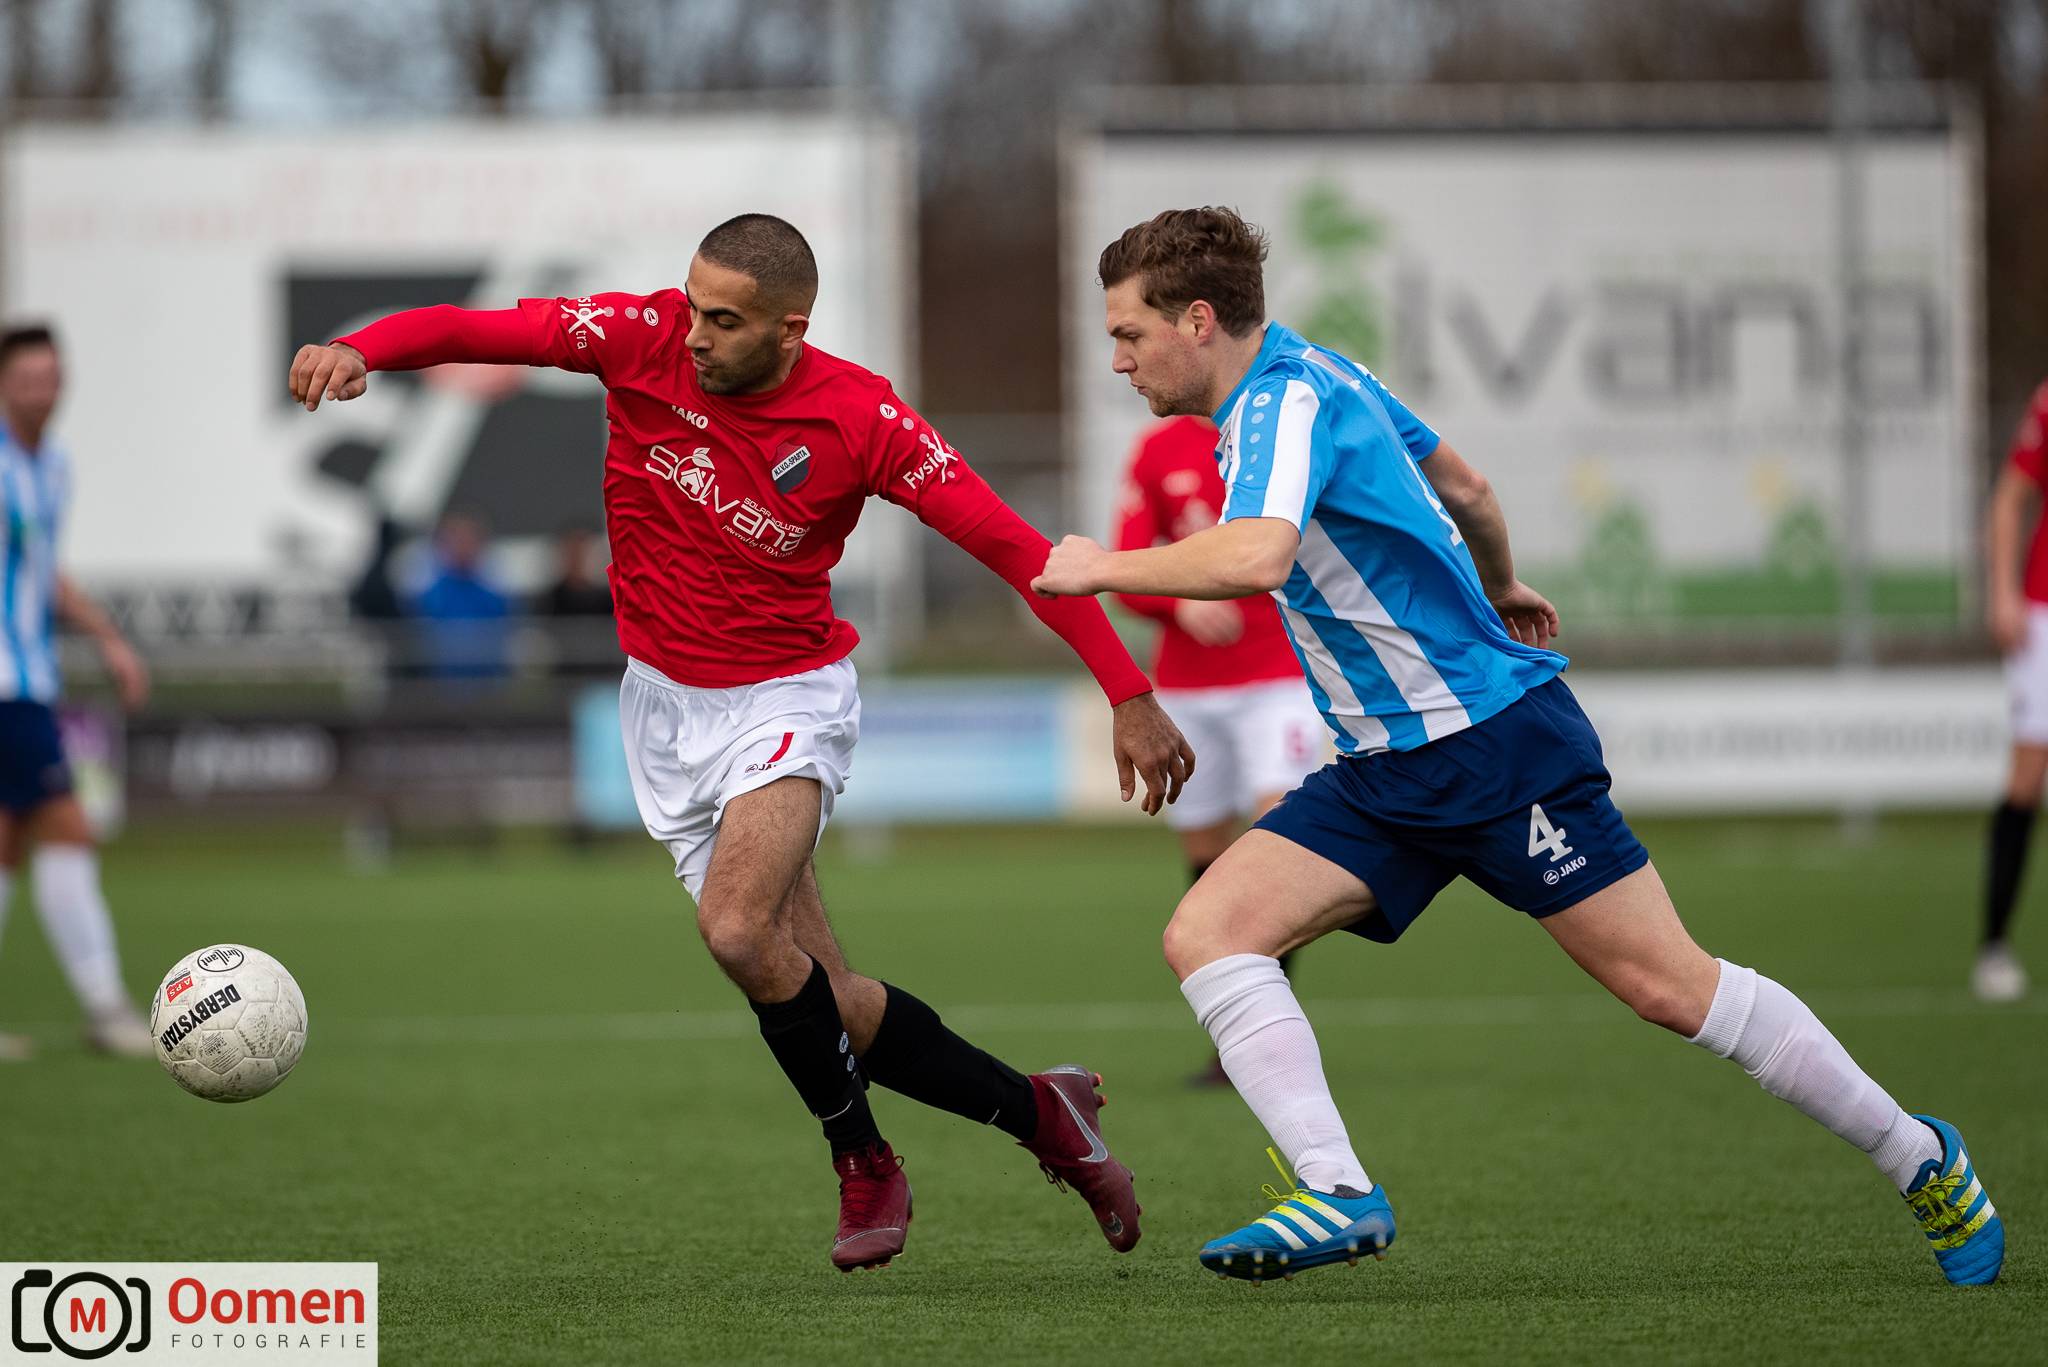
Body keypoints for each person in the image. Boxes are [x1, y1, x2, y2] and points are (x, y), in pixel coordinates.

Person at [1033, 206, 2003, 1286]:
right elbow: (1469, 488)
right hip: (1382, 769)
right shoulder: (1327, 370)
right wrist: (1496, 582)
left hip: (1492, 747)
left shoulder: (1277, 401)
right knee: (1208, 931)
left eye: (1128, 333)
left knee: (1670, 987)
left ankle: (1917, 1155)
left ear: (1198, 320)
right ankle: (1337, 1189)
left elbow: (1258, 554)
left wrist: (1101, 567)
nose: (1118, 359)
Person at [286, 214, 1194, 1271]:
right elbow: (471, 328)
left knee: (732, 928)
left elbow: (1019, 551)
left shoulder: (863, 419)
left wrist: (1129, 690)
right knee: (827, 999)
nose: (695, 334)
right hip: (664, 709)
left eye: (723, 320)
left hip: (785, 699)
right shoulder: (638, 338)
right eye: (692, 306)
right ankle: (1046, 1114)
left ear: (789, 329)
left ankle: (863, 1159)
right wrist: (362, 346)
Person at [1113, 414, 1325, 1085]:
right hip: (1188, 690)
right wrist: (1179, 604)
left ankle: (1269, 1038)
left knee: (1279, 843)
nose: (1132, 366)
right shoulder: (1158, 449)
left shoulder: (1281, 430)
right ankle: (1238, 1033)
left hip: (1281, 678)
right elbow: (1123, 566)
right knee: (1206, 860)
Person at [0, 324, 154, 1060]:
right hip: (5, 683)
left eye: (53, 378)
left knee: (8, 843)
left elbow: (42, 571)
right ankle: (105, 1006)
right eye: (29, 378)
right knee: (67, 827)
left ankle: (104, 1005)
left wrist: (107, 637)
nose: (44, 391)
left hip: (30, 679)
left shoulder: (53, 466)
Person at [1978, 377, 2048, 1003]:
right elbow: (2010, 498)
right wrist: (2003, 592)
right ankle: (1994, 946)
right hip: (2043, 613)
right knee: (2027, 777)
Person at [409, 511, 512, 681]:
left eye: (469, 541)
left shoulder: (494, 600)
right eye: (457, 541)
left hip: (486, 683)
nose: (463, 548)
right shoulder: (428, 599)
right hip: (438, 684)